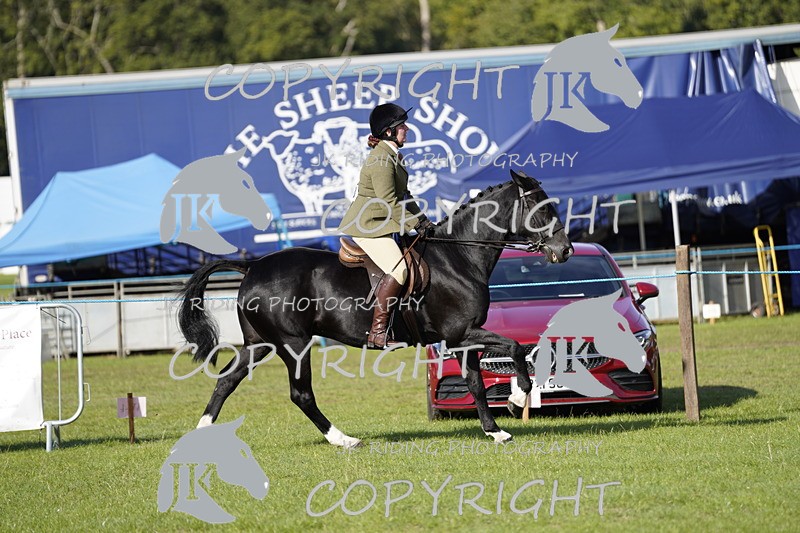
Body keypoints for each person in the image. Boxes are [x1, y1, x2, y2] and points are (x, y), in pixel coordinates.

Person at [338, 103, 433, 349]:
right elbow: (388, 201)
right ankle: (378, 332)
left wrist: (423, 219)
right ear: (389, 132)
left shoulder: (391, 155)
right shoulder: (381, 159)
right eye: (402, 125)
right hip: (368, 227)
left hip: (382, 224)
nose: (407, 129)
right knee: (399, 270)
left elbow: (405, 195)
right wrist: (414, 223)